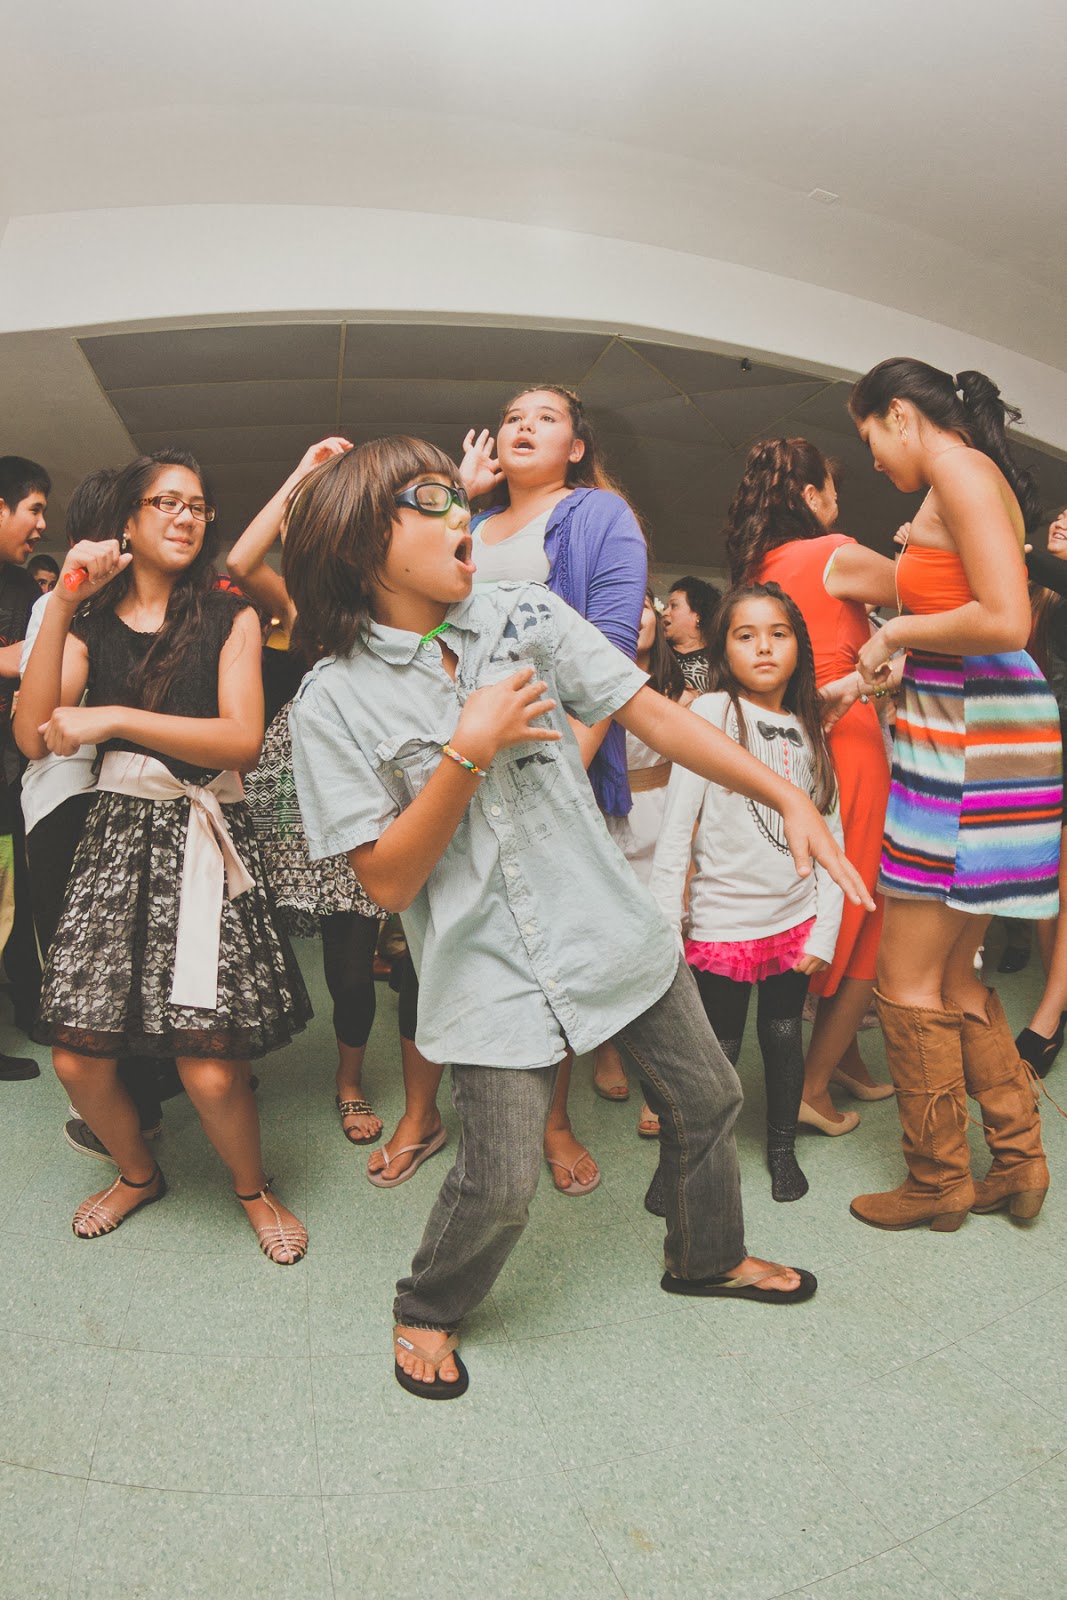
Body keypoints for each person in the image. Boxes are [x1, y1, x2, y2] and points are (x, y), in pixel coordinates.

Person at [284, 436, 873, 1398]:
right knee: (501, 1181)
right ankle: (426, 1306)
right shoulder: (330, 702)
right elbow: (385, 882)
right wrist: (465, 751)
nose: (460, 512)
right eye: (430, 498)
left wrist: (785, 795)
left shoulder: (520, 613)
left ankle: (705, 1258)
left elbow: (652, 714)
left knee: (708, 1099)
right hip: (485, 969)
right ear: (358, 543)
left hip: (606, 925)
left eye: (455, 494)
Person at [15, 452, 311, 1260]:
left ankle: (253, 1189)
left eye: (198, 505)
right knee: (77, 1059)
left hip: (202, 832)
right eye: (166, 502)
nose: (186, 516)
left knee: (210, 1069)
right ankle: (138, 1174)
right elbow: (33, 731)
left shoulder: (228, 615)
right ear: (130, 520)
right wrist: (62, 600)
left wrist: (112, 717)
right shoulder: (91, 624)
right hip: (115, 837)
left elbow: (240, 741)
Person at [367, 385, 649, 1195]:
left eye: (546, 417)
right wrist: (459, 494)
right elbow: (406, 602)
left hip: (540, 763)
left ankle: (551, 1122)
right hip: (441, 761)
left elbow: (607, 656)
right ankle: (420, 1113)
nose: (523, 426)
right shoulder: (472, 520)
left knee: (545, 949)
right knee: (432, 938)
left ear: (576, 447)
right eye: (513, 417)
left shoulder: (596, 515)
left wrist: (562, 774)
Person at [845, 358, 1057, 1230]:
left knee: (904, 978)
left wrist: (892, 628)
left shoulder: (959, 470)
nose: (871, 460)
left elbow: (1005, 619)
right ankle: (1017, 1161)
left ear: (899, 414)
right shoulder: (968, 477)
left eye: (869, 437)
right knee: (952, 974)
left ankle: (936, 1183)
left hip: (969, 752)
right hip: (990, 739)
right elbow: (975, 624)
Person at [229, 436, 436, 1155]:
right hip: (301, 795)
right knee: (303, 951)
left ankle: (384, 1090)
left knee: (386, 957)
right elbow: (239, 563)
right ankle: (297, 1073)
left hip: (384, 789)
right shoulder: (304, 614)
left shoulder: (403, 614)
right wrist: (300, 473)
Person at [649, 583, 844, 1203]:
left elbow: (831, 834)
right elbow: (676, 828)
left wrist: (825, 930)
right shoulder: (710, 714)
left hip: (795, 921)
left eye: (778, 634)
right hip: (723, 923)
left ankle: (781, 1149)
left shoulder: (809, 727)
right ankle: (681, 1160)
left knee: (784, 1037)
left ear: (798, 646)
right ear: (723, 647)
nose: (763, 647)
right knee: (717, 1050)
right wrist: (666, 923)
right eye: (746, 635)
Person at [725, 438, 896, 1134]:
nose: (837, 501)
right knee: (861, 913)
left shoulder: (754, 568)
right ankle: (812, 1087)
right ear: (808, 494)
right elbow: (935, 593)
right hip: (845, 739)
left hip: (786, 748)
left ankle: (842, 1057)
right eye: (831, 487)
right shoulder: (834, 552)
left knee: (814, 898)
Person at [19, 464, 177, 1153]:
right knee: (112, 961)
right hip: (75, 792)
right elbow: (39, 725)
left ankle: (135, 1109)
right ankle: (136, 1101)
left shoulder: (133, 607)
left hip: (100, 794)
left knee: (105, 964)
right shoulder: (69, 605)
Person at [593, 591, 694, 1120]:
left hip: (662, 816)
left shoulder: (684, 691)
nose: (634, 615)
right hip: (603, 815)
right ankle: (608, 1048)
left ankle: (661, 1073)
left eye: (645, 604)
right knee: (609, 937)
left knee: (664, 938)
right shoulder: (587, 682)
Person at [1012, 505, 1067, 1073]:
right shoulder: (1033, 596)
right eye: (1061, 513)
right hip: (1034, 740)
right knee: (1044, 881)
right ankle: (1060, 996)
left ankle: (1048, 1018)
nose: (1063, 519)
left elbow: (1021, 555)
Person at [0, 454, 50, 1078]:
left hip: (8, 774)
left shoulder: (21, 590)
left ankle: (32, 1009)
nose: (41, 525)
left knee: (11, 897)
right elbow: (27, 659)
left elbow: (37, 660)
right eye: (34, 510)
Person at [663, 575, 719, 692]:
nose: (665, 612)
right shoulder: (658, 655)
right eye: (667, 607)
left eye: (674, 606)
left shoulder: (720, 661)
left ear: (698, 614)